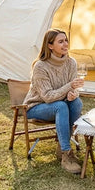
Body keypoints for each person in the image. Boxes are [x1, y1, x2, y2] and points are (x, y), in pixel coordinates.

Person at [23, 28, 83, 174]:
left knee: (77, 103)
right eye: (60, 41)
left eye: (66, 40)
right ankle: (66, 154)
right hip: (36, 106)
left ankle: (62, 145)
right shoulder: (40, 66)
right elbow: (48, 97)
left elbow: (73, 88)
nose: (65, 44)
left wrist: (73, 94)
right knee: (61, 107)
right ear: (50, 46)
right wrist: (69, 87)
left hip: (59, 103)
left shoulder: (71, 63)